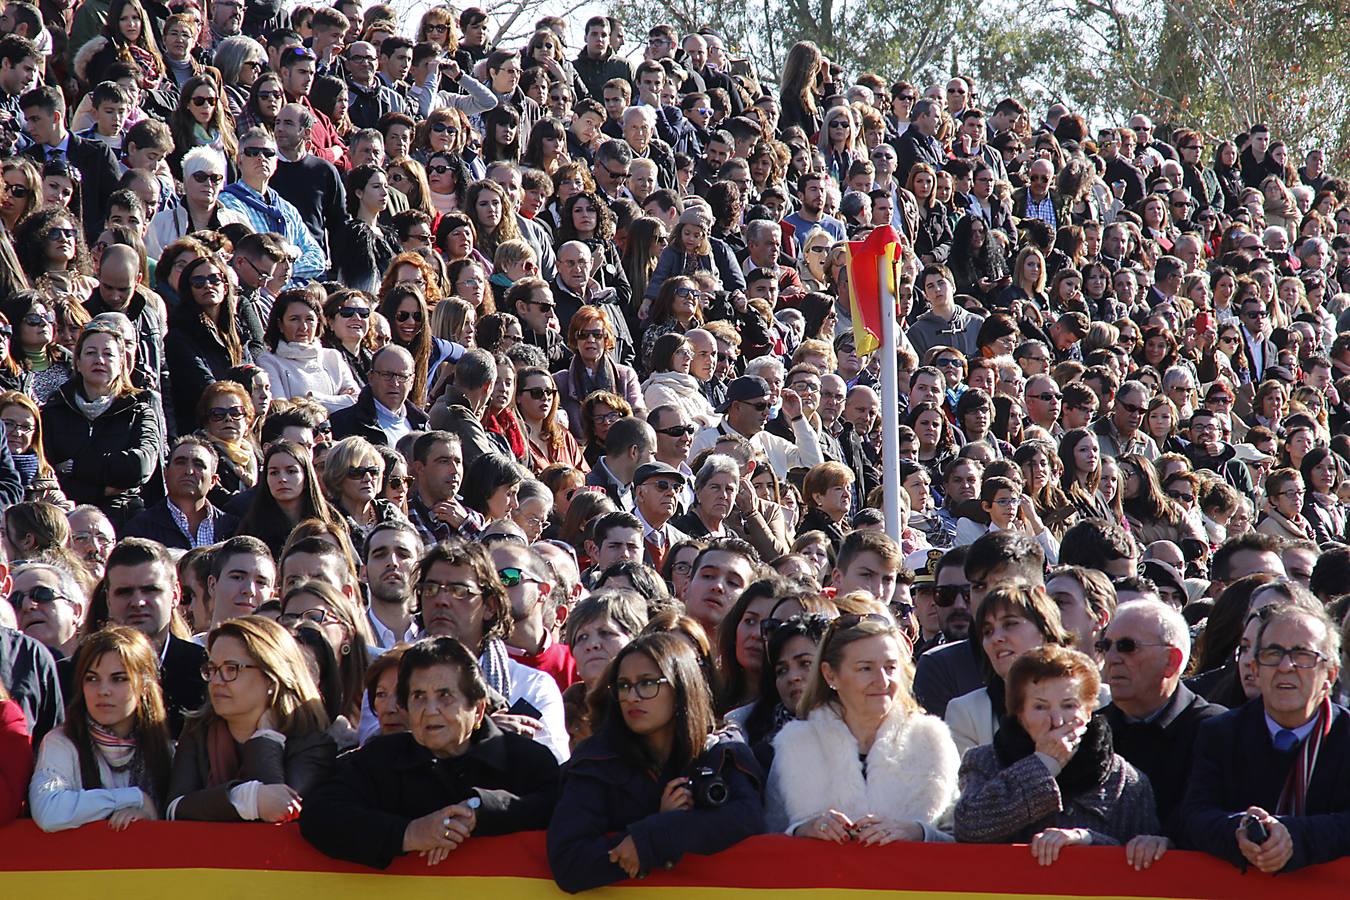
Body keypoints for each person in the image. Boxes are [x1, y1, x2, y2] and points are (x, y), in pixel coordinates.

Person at [300, 636, 559, 868]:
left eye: (445, 695)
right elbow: (319, 813)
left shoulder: (528, 761)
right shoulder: (380, 758)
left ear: (478, 709)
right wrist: (409, 834)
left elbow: (556, 808)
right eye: (419, 696)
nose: (431, 709)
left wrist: (480, 811)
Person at [547, 632, 764, 892]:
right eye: (624, 685)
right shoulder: (595, 760)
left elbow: (748, 817)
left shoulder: (721, 747)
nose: (632, 697)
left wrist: (657, 836)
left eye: (647, 683)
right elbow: (570, 862)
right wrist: (642, 837)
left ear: (680, 686)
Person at [954, 645, 1167, 869]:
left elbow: (1145, 863)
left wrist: (1088, 840)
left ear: (1087, 712)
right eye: (1040, 707)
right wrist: (1041, 766)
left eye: (1068, 706)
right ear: (1020, 714)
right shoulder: (983, 762)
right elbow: (968, 829)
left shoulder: (1126, 781)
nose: (1056, 720)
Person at [1183, 602, 1350, 872]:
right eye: (1273, 653)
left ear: (1329, 675)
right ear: (1256, 670)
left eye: (1302, 654)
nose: (1285, 666)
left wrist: (1292, 836)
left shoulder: (1345, 736)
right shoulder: (1220, 733)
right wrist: (1239, 830)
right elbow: (1194, 815)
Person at [767, 613, 959, 841]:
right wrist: (803, 830)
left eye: (890, 667)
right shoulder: (795, 745)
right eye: (865, 668)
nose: (882, 681)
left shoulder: (932, 740)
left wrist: (919, 833)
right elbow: (770, 838)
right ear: (830, 675)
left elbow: (961, 841)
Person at [166, 616, 336, 821]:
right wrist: (246, 798)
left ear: (272, 677)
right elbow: (174, 809)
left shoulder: (312, 744)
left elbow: (279, 809)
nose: (216, 681)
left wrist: (266, 739)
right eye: (212, 669)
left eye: (231, 669)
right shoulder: (198, 731)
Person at [414, 539, 569, 761]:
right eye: (430, 589)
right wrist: (482, 733)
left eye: (459, 591)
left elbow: (553, 767)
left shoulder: (531, 686)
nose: (441, 600)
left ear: (489, 607)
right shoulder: (394, 674)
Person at [1100, 599, 1226, 836]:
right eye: (1106, 646)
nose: (1112, 658)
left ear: (1171, 661)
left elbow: (1209, 815)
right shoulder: (1090, 728)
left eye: (1127, 646)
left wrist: (1170, 841)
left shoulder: (1215, 729)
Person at [30, 625, 173, 831]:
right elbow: (48, 811)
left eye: (119, 679)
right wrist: (134, 797)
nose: (103, 691)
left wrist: (144, 817)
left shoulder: (165, 750)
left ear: (144, 685)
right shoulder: (61, 742)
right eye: (92, 679)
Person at [41, 324, 160, 528]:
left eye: (108, 354)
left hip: (124, 515)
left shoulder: (138, 410)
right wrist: (100, 490)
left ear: (121, 362)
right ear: (77, 362)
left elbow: (140, 466)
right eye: (90, 353)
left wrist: (77, 466)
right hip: (66, 515)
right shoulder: (53, 411)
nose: (99, 360)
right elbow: (49, 474)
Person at [945, 584, 1075, 758]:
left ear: (1045, 630)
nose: (996, 638)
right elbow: (974, 784)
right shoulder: (966, 712)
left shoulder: (1099, 699)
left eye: (1010, 624)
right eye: (988, 631)